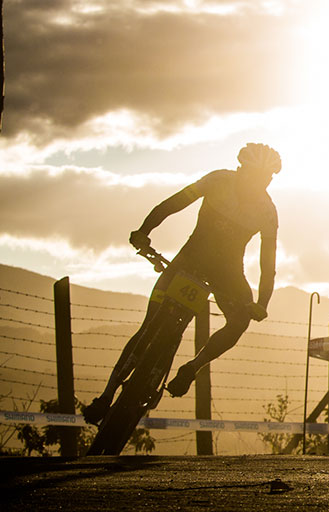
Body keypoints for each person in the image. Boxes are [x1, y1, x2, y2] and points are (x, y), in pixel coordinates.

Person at [83, 143, 281, 425]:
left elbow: (267, 263)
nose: (258, 183)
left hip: (225, 273)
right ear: (241, 169)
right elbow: (173, 204)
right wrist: (144, 230)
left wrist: (262, 304)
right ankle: (106, 396)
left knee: (239, 322)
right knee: (147, 328)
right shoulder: (218, 180)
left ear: (270, 180)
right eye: (254, 176)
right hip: (190, 261)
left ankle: (191, 368)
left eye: (265, 179)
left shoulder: (267, 212)